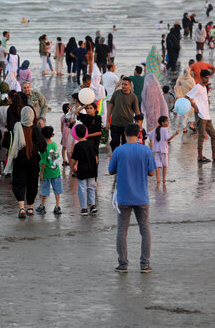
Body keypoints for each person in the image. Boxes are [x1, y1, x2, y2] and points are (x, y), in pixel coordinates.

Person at [109, 123, 156, 273]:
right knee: (145, 229)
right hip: (141, 196)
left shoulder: (119, 150)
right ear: (139, 134)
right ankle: (145, 264)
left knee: (122, 230)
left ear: (124, 133)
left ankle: (123, 264)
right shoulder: (145, 150)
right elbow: (152, 173)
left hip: (123, 196)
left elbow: (111, 171)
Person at [4, 107, 46, 218]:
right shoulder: (36, 130)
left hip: (19, 161)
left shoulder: (16, 128)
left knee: (18, 183)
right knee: (32, 184)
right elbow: (42, 147)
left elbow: (7, 143)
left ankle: (22, 208)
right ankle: (30, 207)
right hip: (33, 162)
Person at [186, 70, 215, 163]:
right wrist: (194, 106)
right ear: (201, 77)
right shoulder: (197, 87)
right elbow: (187, 97)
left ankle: (214, 155)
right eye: (206, 78)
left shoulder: (204, 87)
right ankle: (200, 156)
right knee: (202, 135)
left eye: (208, 78)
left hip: (207, 115)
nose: (207, 79)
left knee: (214, 135)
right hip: (200, 115)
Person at [71, 124, 98, 216]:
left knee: (82, 188)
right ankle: (93, 205)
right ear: (86, 133)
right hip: (92, 169)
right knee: (91, 187)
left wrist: (72, 168)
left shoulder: (78, 146)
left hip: (82, 170)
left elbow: (74, 159)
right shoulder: (92, 143)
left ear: (76, 134)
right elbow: (96, 158)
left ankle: (84, 208)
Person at [107, 77, 140, 151]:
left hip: (127, 125)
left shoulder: (133, 97)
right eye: (122, 84)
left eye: (125, 84)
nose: (123, 86)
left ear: (130, 85)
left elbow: (137, 112)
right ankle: (115, 159)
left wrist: (139, 124)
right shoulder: (116, 94)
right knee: (114, 143)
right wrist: (107, 122)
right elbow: (110, 107)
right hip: (115, 123)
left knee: (126, 145)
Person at [36, 126, 63, 215]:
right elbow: (56, 157)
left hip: (47, 172)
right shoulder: (54, 144)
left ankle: (42, 206)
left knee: (44, 190)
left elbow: (43, 162)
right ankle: (57, 206)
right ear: (52, 135)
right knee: (57, 190)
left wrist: (41, 174)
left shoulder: (43, 147)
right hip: (56, 171)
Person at [147, 116, 179, 182]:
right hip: (164, 150)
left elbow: (148, 134)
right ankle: (164, 179)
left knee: (157, 165)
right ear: (162, 123)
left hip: (157, 150)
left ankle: (158, 179)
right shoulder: (164, 130)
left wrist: (151, 130)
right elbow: (168, 139)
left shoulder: (156, 129)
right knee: (165, 165)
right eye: (167, 121)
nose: (168, 122)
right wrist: (175, 134)